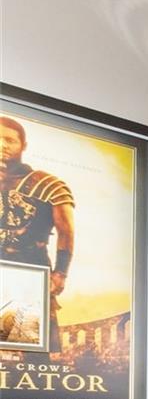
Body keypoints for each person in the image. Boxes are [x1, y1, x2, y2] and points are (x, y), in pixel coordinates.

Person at [0, 116, 74, 352]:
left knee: (29, 344)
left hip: (29, 266)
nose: (2, 145)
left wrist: (60, 273)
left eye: (10, 140)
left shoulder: (46, 184)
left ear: (23, 145)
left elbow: (66, 231)